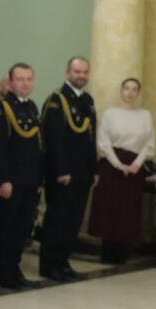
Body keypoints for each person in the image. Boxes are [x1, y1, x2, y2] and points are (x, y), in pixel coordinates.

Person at [39, 56, 98, 282]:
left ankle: (63, 262)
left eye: (84, 72)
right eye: (77, 72)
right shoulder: (57, 99)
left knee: (73, 221)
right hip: (63, 174)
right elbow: (53, 139)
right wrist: (61, 169)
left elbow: (91, 137)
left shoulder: (88, 100)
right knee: (57, 219)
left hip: (83, 173)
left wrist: (94, 169)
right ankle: (49, 265)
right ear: (67, 73)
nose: (81, 76)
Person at [88, 77, 155, 263]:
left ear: (138, 93)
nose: (130, 93)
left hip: (134, 167)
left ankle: (122, 253)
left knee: (128, 210)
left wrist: (136, 165)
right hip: (111, 165)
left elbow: (149, 145)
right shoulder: (110, 114)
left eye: (134, 89)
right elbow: (103, 142)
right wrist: (118, 164)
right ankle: (107, 251)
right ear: (121, 91)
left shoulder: (145, 115)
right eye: (126, 88)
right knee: (108, 208)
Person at [0, 63, 44, 289]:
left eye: (29, 79)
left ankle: (14, 268)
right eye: (20, 79)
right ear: (10, 82)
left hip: (30, 179)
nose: (25, 84)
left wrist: (39, 178)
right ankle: (1, 272)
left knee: (21, 229)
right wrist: (3, 179)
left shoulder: (31, 107)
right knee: (5, 228)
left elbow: (38, 145)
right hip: (12, 180)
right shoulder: (2, 108)